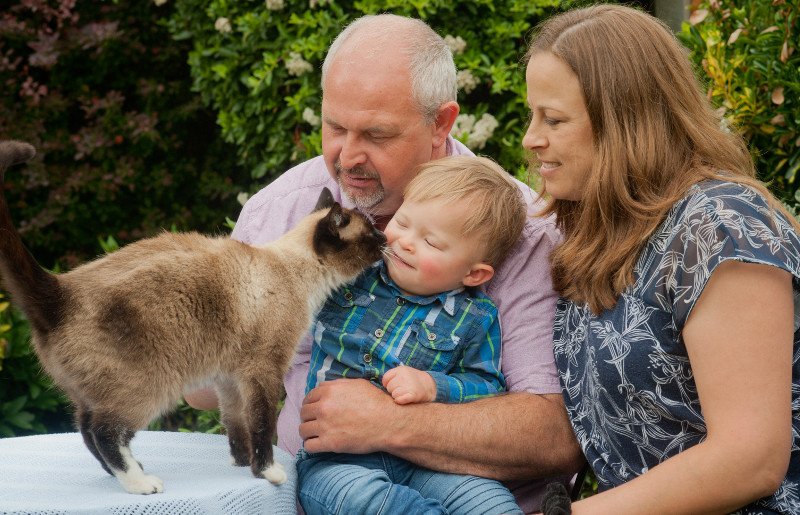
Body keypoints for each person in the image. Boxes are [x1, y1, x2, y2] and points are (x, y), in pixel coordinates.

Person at [184, 13, 583, 512]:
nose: (347, 156)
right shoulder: (279, 212)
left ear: (440, 123)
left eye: (376, 134)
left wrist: (390, 423)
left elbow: (558, 438)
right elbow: (200, 390)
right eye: (335, 127)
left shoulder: (522, 233)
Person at [523, 4, 800, 514]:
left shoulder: (719, 225)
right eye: (532, 115)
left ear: (626, 121)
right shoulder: (599, 232)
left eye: (554, 119)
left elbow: (751, 458)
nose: (530, 138)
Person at [297, 156, 527, 515]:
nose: (404, 242)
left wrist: (434, 386)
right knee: (362, 500)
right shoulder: (352, 274)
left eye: (431, 242)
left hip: (427, 462)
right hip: (336, 461)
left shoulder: (475, 317)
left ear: (474, 274)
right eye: (402, 222)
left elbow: (487, 386)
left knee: (485, 498)